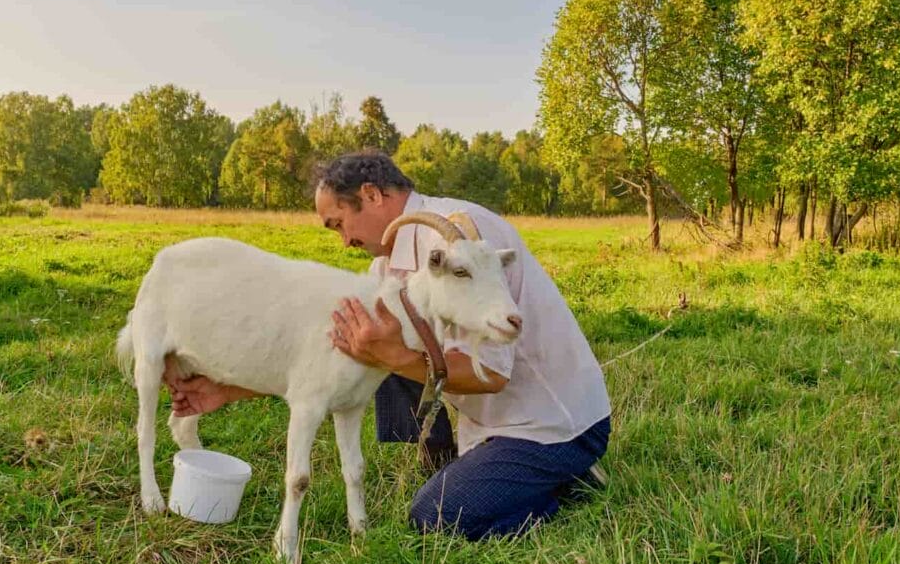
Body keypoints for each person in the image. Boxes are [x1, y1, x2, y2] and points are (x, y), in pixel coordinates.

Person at [166, 151, 611, 540]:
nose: (343, 241)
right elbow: (327, 366)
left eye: (339, 223)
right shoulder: (387, 269)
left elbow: (493, 374)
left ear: (372, 195)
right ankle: (446, 459)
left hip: (552, 425)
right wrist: (228, 390)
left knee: (435, 517)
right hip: (492, 426)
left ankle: (562, 481)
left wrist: (394, 355)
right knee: (375, 331)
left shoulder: (456, 235)